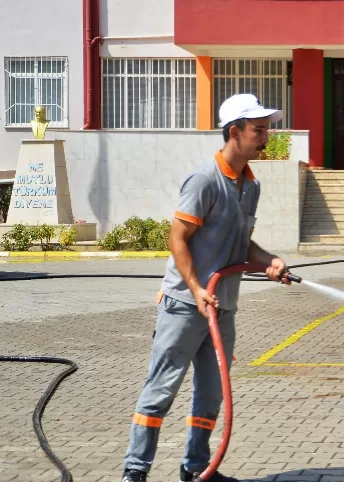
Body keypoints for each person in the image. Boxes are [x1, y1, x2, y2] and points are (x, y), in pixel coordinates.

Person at [121, 94, 291, 482]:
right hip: (186, 305)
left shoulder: (250, 184)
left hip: (223, 306)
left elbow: (242, 243)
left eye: (266, 130)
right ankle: (135, 471)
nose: (266, 138)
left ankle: (196, 467)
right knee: (161, 389)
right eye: (259, 131)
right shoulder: (204, 180)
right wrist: (196, 288)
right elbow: (177, 237)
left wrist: (271, 261)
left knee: (212, 393)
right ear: (235, 132)